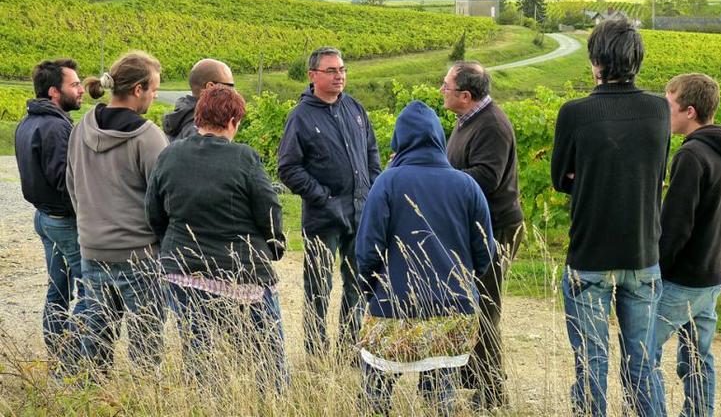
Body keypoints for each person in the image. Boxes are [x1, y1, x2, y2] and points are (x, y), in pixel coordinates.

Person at [551, 19, 670, 416]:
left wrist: (588, 177)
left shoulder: (575, 113)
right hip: (643, 255)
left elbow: (560, 179)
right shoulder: (658, 110)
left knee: (592, 366)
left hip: (589, 258)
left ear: (597, 60)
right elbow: (656, 172)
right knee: (642, 367)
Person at [356, 100, 494, 416]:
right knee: (440, 399)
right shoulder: (467, 185)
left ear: (399, 140)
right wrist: (463, 284)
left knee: (375, 397)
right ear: (437, 137)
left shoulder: (388, 182)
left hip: (394, 311)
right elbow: (485, 251)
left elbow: (366, 253)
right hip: (453, 313)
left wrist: (373, 294)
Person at [145, 86, 288, 390]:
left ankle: (206, 404)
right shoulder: (244, 158)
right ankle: (270, 403)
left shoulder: (169, 155)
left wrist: (170, 245)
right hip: (241, 276)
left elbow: (153, 212)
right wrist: (273, 246)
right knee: (269, 356)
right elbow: (269, 208)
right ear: (234, 121)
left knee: (199, 354)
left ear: (198, 117)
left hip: (182, 271)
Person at [66, 51, 168, 370]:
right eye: (153, 89)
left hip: (93, 251)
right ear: (138, 89)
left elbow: (73, 187)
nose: (154, 96)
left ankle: (96, 401)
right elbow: (163, 198)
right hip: (138, 255)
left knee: (95, 344)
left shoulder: (81, 128)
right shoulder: (147, 136)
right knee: (146, 346)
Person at [653, 73, 721, 417]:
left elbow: (675, 226)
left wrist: (655, 270)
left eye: (669, 104)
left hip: (684, 279)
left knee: (642, 353)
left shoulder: (692, 156)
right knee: (697, 355)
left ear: (689, 111)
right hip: (714, 273)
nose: (665, 113)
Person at [278, 46, 381, 357]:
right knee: (319, 289)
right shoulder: (301, 117)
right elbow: (288, 168)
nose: (340, 76)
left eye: (342, 70)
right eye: (332, 71)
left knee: (358, 286)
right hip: (324, 218)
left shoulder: (355, 109)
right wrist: (322, 196)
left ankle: (351, 349)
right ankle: (315, 352)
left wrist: (372, 187)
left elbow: (371, 154)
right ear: (313, 76)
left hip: (360, 214)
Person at [440, 60, 524, 408]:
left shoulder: (491, 126)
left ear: (465, 94)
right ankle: (479, 382)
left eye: (445, 85)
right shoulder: (469, 120)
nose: (441, 90)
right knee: (473, 305)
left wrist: (440, 178)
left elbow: (485, 178)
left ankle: (492, 392)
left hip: (496, 228)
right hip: (477, 226)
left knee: (486, 308)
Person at [14, 58, 85, 365]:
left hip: (44, 218)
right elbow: (63, 182)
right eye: (75, 85)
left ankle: (57, 356)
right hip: (64, 221)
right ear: (55, 92)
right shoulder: (56, 127)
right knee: (91, 291)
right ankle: (72, 359)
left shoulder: (27, 121)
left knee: (58, 290)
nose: (81, 90)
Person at [162, 58, 234, 141]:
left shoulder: (180, 118)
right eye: (229, 86)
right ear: (210, 87)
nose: (234, 92)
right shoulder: (202, 130)